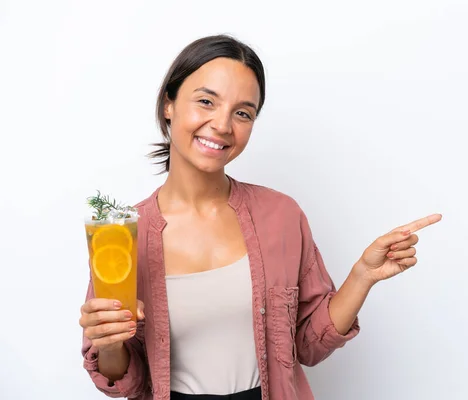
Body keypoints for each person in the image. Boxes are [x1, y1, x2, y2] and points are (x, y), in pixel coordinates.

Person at [79, 34, 442, 400]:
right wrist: (108, 344)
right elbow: (128, 383)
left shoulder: (281, 215)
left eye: (242, 113)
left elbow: (308, 346)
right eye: (206, 101)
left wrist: (362, 275)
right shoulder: (121, 233)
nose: (222, 125)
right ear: (168, 105)